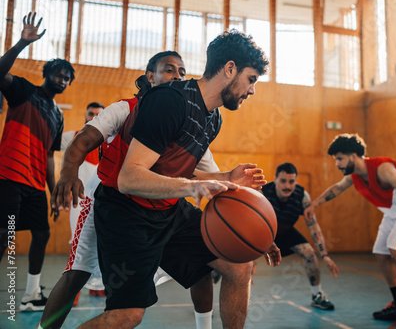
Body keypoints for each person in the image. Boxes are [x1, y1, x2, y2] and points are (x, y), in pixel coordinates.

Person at [77, 30, 280, 329]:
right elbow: (130, 177)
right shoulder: (169, 101)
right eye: (251, 79)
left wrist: (254, 230)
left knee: (239, 265)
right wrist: (193, 187)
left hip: (167, 209)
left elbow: (173, 168)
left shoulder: (214, 118)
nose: (251, 90)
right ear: (230, 69)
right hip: (127, 212)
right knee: (127, 316)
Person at [40, 51, 226, 329]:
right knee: (77, 273)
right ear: (151, 77)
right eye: (169, 70)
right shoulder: (126, 108)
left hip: (157, 207)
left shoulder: (190, 119)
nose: (177, 76)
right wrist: (68, 174)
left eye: (182, 72)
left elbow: (210, 174)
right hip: (108, 198)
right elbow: (82, 140)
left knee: (201, 264)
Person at [304, 133, 396, 326]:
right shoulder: (355, 176)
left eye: (340, 159)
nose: (337, 164)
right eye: (336, 160)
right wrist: (314, 204)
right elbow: (338, 187)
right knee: (381, 252)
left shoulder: (384, 170)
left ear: (353, 156)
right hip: (394, 208)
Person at [0, 12, 75, 312]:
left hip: (33, 183)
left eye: (68, 78)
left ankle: (32, 294)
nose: (63, 80)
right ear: (47, 73)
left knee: (42, 233)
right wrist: (21, 42)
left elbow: (48, 156)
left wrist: (54, 190)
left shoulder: (58, 115)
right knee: (5, 233)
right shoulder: (23, 91)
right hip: (9, 175)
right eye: (59, 74)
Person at [260, 162, 339, 310]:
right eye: (283, 181)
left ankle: (317, 295)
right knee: (229, 261)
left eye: (291, 181)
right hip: (263, 233)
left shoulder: (302, 197)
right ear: (275, 179)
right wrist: (249, 259)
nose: (287, 186)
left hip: (286, 231)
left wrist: (325, 254)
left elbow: (314, 226)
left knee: (310, 254)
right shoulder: (263, 193)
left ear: (296, 181)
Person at [61, 102, 104, 243]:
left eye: (98, 114)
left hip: (103, 200)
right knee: (78, 241)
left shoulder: (111, 142)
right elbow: (49, 141)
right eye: (91, 114)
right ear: (85, 115)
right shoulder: (71, 137)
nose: (94, 117)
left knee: (100, 243)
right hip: (79, 199)